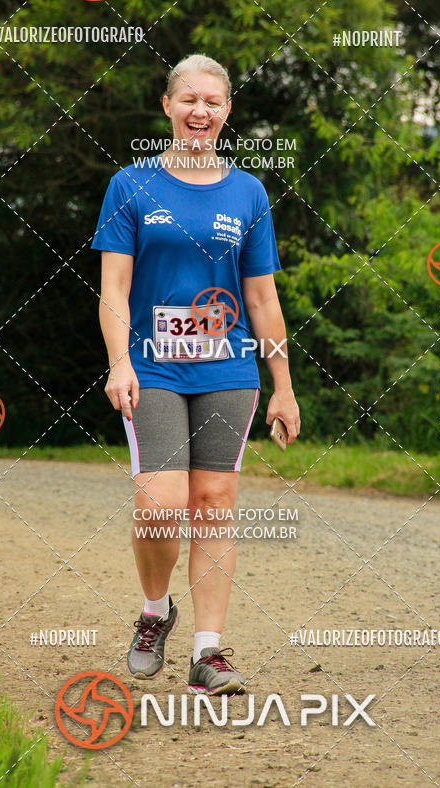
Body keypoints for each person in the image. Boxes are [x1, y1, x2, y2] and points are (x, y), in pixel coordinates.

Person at [91, 53, 300, 695]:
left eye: (212, 101)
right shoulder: (131, 185)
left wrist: (284, 385)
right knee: (159, 505)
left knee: (213, 503)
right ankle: (156, 612)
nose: (200, 111)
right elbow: (114, 290)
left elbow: (262, 298)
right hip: (151, 366)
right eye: (189, 100)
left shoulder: (249, 193)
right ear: (168, 108)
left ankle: (209, 654)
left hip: (228, 367)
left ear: (227, 111)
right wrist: (119, 362)